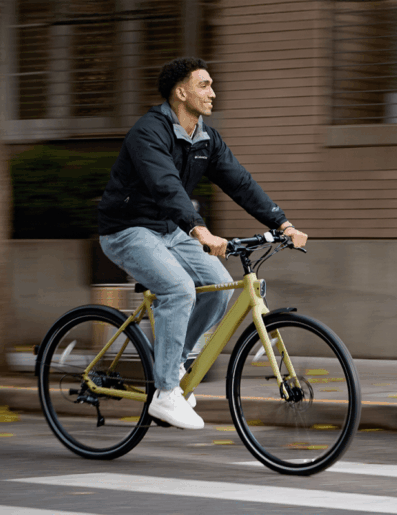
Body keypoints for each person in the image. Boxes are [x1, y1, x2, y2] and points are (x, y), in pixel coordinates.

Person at [98, 57, 307, 430]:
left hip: (170, 229)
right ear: (181, 92)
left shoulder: (204, 137)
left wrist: (282, 222)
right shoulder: (149, 131)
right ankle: (164, 394)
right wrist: (200, 230)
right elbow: (166, 186)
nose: (213, 93)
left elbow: (239, 182)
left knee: (217, 287)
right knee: (179, 290)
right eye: (205, 85)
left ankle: (174, 360)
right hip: (128, 229)